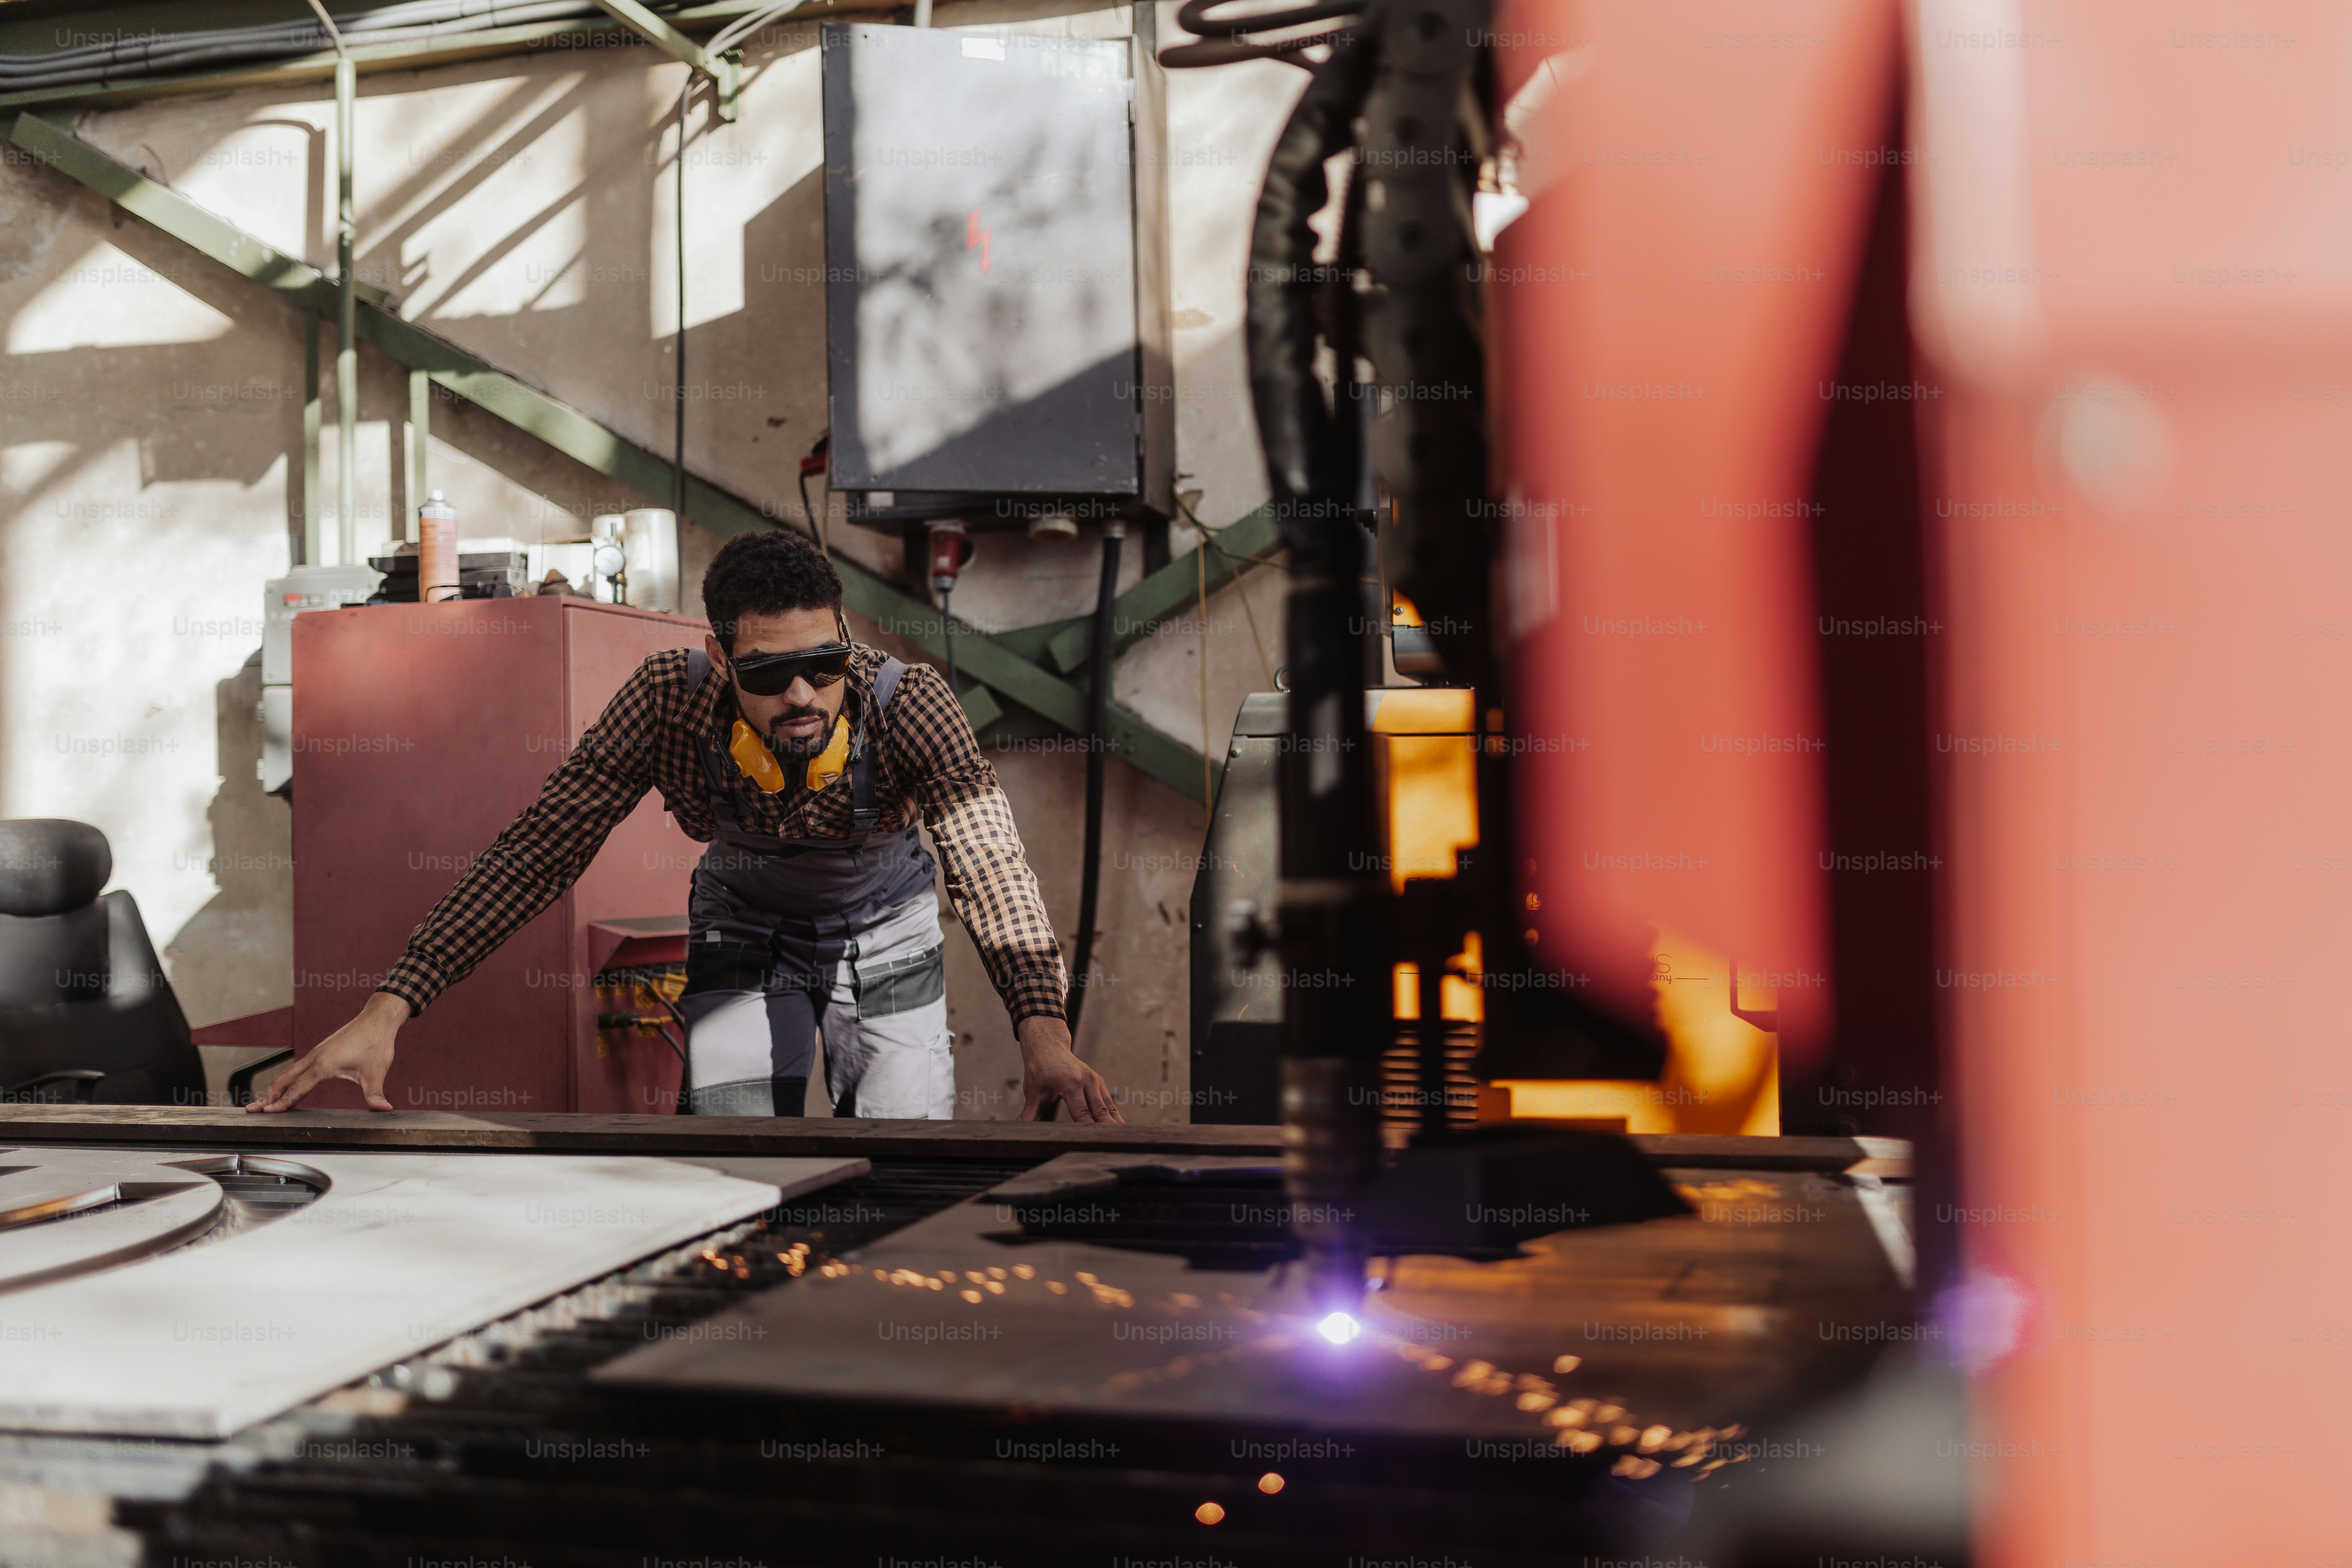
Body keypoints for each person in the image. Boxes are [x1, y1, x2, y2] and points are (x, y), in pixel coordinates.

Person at [251, 528, 1119, 1123]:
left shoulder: (911, 706)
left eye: (825, 665)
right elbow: (537, 853)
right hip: (743, 926)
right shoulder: (669, 701)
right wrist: (390, 1008)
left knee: (902, 1151)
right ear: (719, 659)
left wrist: (1044, 1036)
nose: (804, 696)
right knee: (737, 1157)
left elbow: (992, 868)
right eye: (773, 674)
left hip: (887, 932)